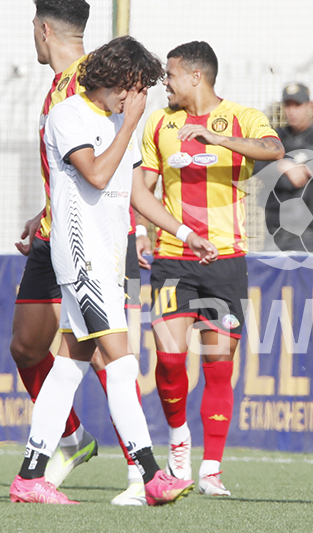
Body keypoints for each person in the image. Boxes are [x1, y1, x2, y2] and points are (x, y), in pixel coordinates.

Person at [10, 35, 218, 506]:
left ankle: (29, 477)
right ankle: (148, 476)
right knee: (122, 363)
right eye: (137, 86)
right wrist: (130, 126)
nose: (139, 96)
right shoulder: (70, 115)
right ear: (121, 82)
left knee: (68, 366)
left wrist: (185, 234)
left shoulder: (117, 118)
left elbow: (136, 193)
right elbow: (97, 174)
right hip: (80, 257)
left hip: (108, 256)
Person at [12, 0, 147, 506]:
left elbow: (105, 170)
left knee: (104, 352)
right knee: (28, 348)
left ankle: (143, 472)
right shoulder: (62, 82)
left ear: (43, 29)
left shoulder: (86, 84)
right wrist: (43, 209)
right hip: (53, 235)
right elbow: (71, 168)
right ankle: (70, 440)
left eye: (31, 28)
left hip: (95, 243)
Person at [137, 40, 284, 496]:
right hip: (172, 257)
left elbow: (273, 150)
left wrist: (218, 139)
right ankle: (179, 442)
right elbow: (142, 187)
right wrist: (142, 230)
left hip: (225, 260)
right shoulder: (160, 122)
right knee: (168, 357)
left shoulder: (242, 117)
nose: (166, 83)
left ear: (196, 77)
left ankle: (211, 470)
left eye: (171, 75)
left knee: (219, 367)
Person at [255, 82, 313, 252]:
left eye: (297, 105)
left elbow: (293, 181)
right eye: (288, 105)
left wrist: (273, 165)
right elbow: (255, 165)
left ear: (310, 106)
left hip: (308, 232)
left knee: (304, 278)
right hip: (275, 228)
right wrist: (284, 165)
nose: (292, 111)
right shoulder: (275, 137)